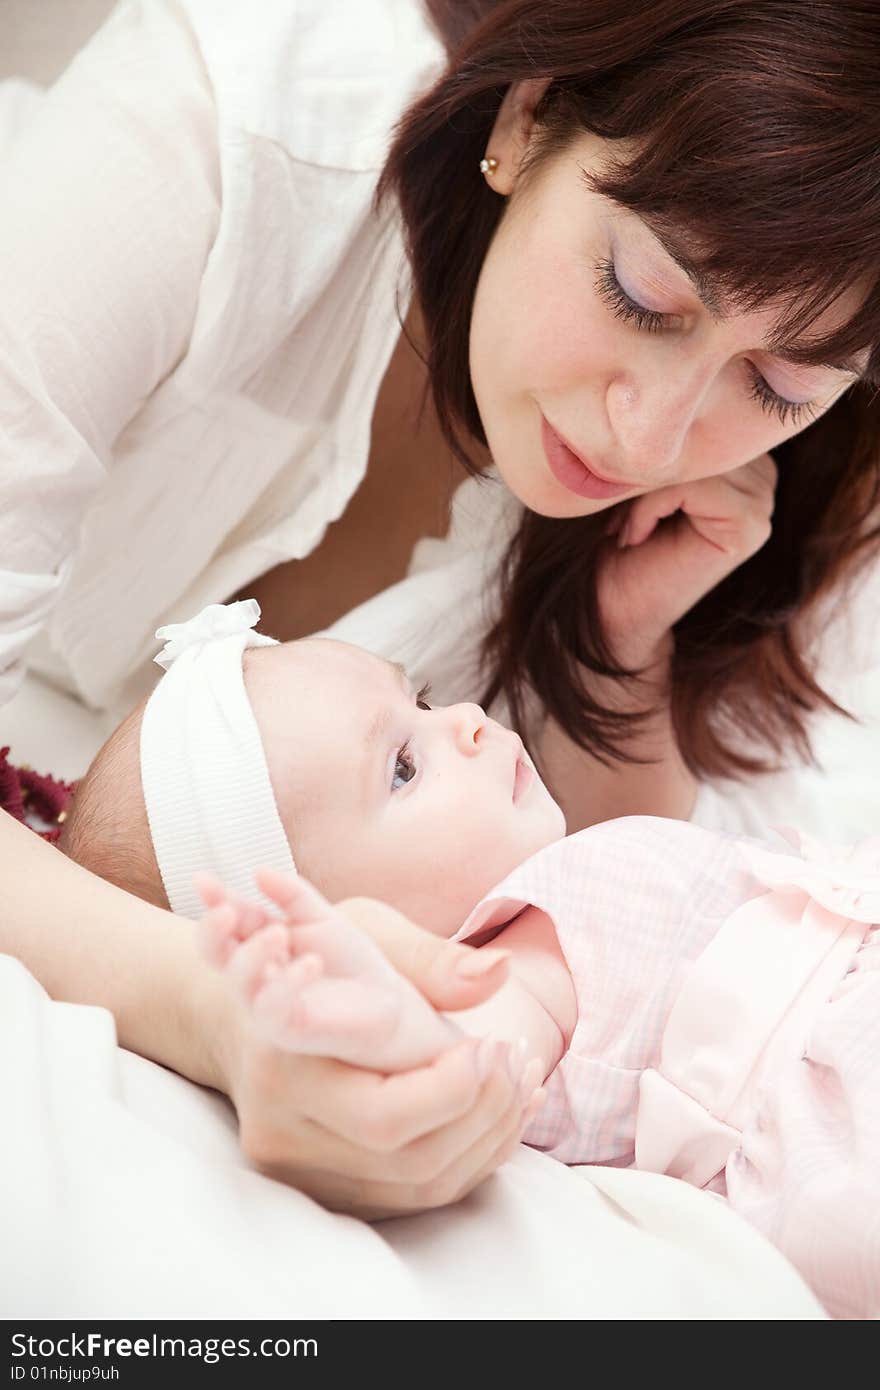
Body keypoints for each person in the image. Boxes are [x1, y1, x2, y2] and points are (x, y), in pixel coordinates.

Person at [3, 0, 880, 1216]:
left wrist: (627, 656)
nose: (657, 436)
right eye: (639, 293)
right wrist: (209, 1007)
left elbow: (645, 902)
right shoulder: (218, 141)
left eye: (778, 385)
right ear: (526, 125)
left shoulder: (770, 503)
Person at [59, 601, 880, 1319]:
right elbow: (463, 1062)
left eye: (418, 698)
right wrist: (353, 1016)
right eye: (404, 768)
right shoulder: (513, 966)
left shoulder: (562, 883)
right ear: (355, 932)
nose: (467, 720)